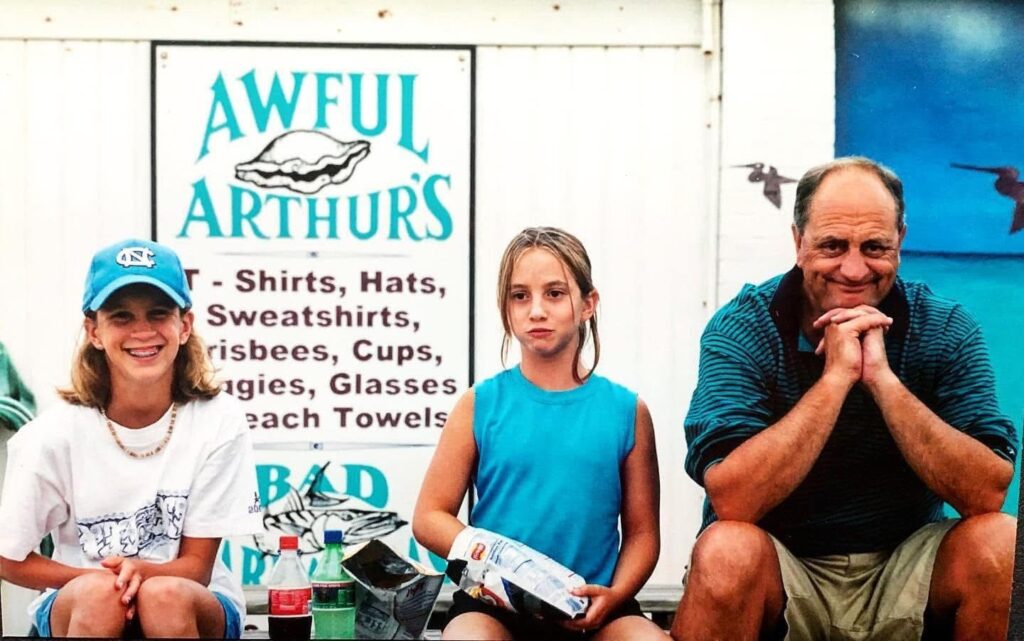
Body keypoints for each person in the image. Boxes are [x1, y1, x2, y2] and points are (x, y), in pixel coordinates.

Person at [673, 157, 1018, 641]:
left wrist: (881, 379)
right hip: (783, 569)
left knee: (1003, 541)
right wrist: (835, 379)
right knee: (727, 549)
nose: (854, 270)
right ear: (798, 242)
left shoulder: (944, 328)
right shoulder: (743, 328)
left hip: (904, 568)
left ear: (900, 240)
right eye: (833, 245)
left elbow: (987, 493)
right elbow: (733, 500)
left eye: (874, 247)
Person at [0, 238, 263, 638]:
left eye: (159, 313)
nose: (142, 331)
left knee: (164, 595)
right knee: (98, 596)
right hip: (84, 601)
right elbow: (8, 558)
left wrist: (140, 573)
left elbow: (197, 568)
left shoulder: (218, 419)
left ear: (184, 326)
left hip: (192, 597)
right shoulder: (51, 434)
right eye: (121, 316)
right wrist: (103, 580)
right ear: (94, 331)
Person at [413, 227, 664, 641]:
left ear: (588, 304)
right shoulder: (479, 404)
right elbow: (429, 517)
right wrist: (502, 565)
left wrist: (615, 594)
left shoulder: (627, 411)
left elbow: (642, 534)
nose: (536, 311)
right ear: (506, 309)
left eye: (555, 293)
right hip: (493, 608)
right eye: (519, 296)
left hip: (598, 607)